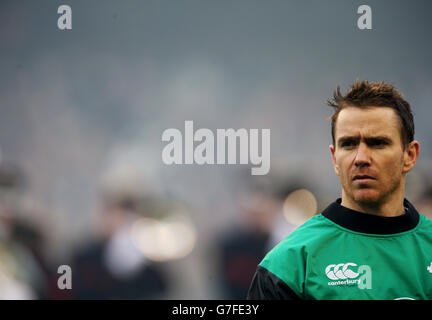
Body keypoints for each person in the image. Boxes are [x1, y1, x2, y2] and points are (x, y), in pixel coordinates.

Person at [247, 80, 432, 300]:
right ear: (335, 158)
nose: (361, 158)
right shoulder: (289, 264)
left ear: (409, 155)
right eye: (349, 144)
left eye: (378, 143)